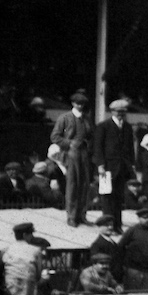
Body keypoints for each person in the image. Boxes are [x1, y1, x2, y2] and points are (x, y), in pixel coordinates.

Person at [50, 90, 95, 226]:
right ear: (73, 103)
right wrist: (69, 143)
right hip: (71, 154)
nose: (80, 106)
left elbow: (92, 136)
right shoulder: (65, 118)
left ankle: (82, 215)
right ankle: (71, 216)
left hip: (85, 154)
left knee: (85, 185)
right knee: (72, 185)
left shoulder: (87, 119)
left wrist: (88, 144)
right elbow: (55, 136)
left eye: (82, 104)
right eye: (78, 103)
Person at [92, 98, 137, 231]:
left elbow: (130, 148)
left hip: (122, 167)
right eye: (118, 112)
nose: (120, 114)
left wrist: (132, 164)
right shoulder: (103, 126)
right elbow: (98, 148)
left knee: (119, 197)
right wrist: (100, 165)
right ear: (112, 112)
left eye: (123, 112)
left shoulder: (128, 127)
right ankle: (108, 225)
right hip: (107, 168)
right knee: (107, 198)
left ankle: (117, 225)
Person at [0, 222, 46, 295]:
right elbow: (38, 275)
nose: (32, 237)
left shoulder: (6, 250)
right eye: (31, 234)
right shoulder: (36, 250)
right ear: (25, 235)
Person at [87, 215, 124, 282]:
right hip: (106, 279)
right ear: (99, 227)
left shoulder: (112, 242)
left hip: (117, 277)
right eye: (107, 225)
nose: (110, 227)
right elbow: (97, 265)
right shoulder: (97, 244)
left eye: (111, 225)